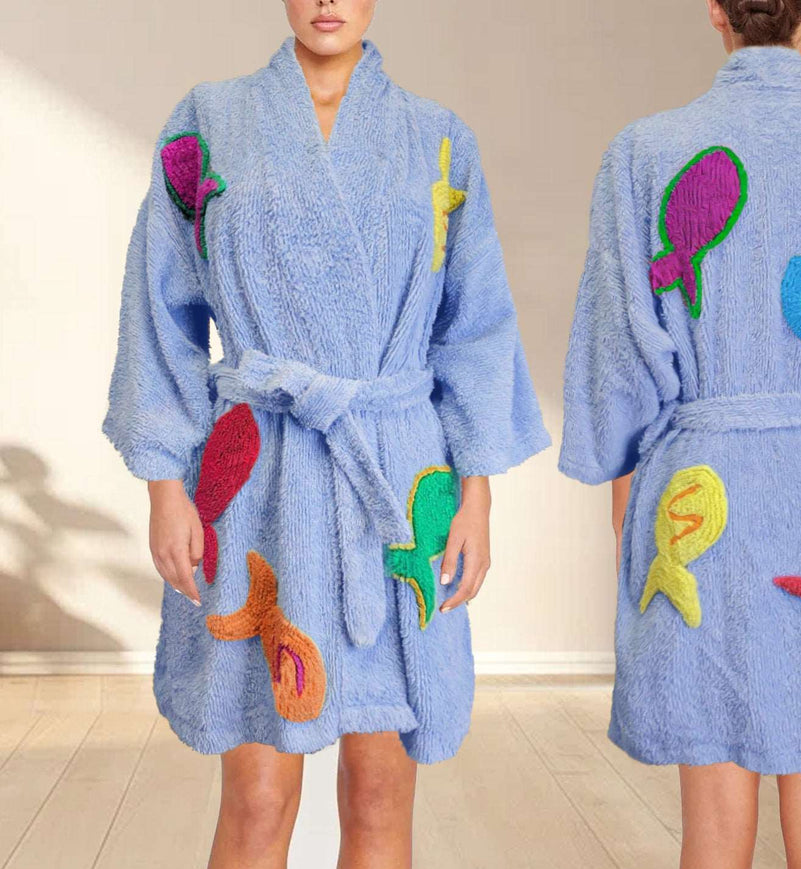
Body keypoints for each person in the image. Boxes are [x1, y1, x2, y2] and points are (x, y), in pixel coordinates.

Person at [102, 1, 549, 865]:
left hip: (396, 478)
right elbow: (158, 308)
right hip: (257, 481)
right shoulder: (209, 121)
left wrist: (477, 493)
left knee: (381, 793)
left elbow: (476, 328)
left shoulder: (438, 138)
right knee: (258, 796)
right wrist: (163, 482)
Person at [558, 1, 801, 866]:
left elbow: (618, 362)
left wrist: (630, 524)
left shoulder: (644, 152)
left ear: (715, 11)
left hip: (698, 496)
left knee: (711, 831)